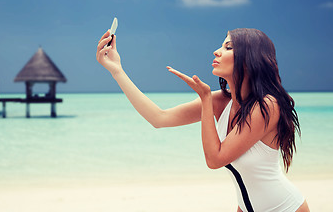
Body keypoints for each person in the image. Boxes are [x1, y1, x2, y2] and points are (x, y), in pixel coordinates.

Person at [96, 28, 310, 211]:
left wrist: (205, 99)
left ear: (249, 59)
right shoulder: (221, 101)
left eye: (228, 47)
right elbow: (159, 118)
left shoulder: (267, 106)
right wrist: (117, 71)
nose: (216, 51)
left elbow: (215, 159)